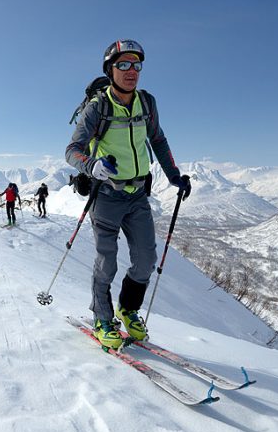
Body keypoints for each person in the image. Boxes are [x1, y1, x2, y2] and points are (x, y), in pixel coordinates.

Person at [65, 39, 190, 349]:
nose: (131, 70)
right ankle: (102, 317)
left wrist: (174, 176)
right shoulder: (99, 108)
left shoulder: (147, 103)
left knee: (146, 259)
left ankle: (128, 309)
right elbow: (72, 150)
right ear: (110, 69)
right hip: (106, 196)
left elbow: (158, 140)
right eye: (123, 64)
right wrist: (91, 166)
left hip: (137, 195)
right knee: (107, 262)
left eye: (136, 64)